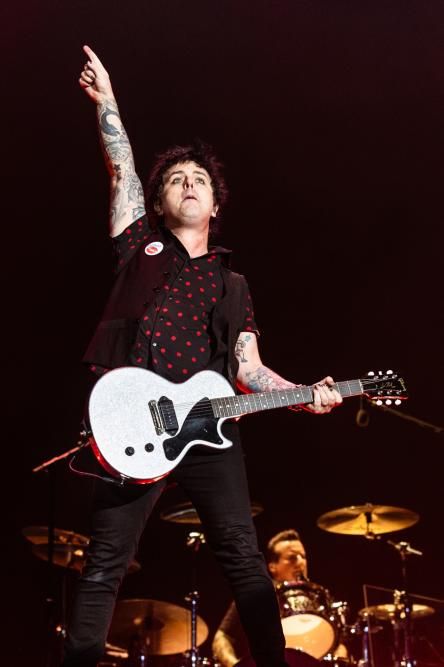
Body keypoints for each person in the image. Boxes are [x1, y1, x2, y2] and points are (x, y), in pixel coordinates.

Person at [61, 45, 343, 667]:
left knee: (243, 556)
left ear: (216, 205)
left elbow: (248, 368)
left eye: (199, 180)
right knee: (105, 561)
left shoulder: (233, 285)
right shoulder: (138, 245)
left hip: (209, 427)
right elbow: (121, 168)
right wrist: (108, 103)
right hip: (132, 418)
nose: (187, 183)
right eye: (175, 179)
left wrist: (305, 396)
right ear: (159, 202)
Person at [213, 529, 350, 667]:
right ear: (272, 567)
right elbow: (222, 637)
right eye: (292, 558)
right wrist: (238, 665)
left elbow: (340, 644)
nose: (300, 562)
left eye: (303, 556)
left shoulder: (319, 596)